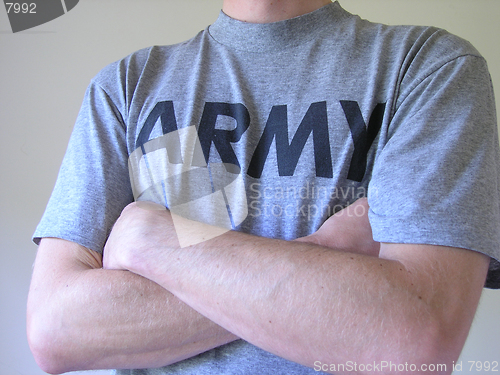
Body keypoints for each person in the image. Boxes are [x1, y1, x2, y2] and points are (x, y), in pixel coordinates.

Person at [27, 0, 500, 374]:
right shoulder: (126, 88)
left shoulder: (429, 69)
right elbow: (56, 330)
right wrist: (322, 252)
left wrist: (152, 246)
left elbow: (413, 344)